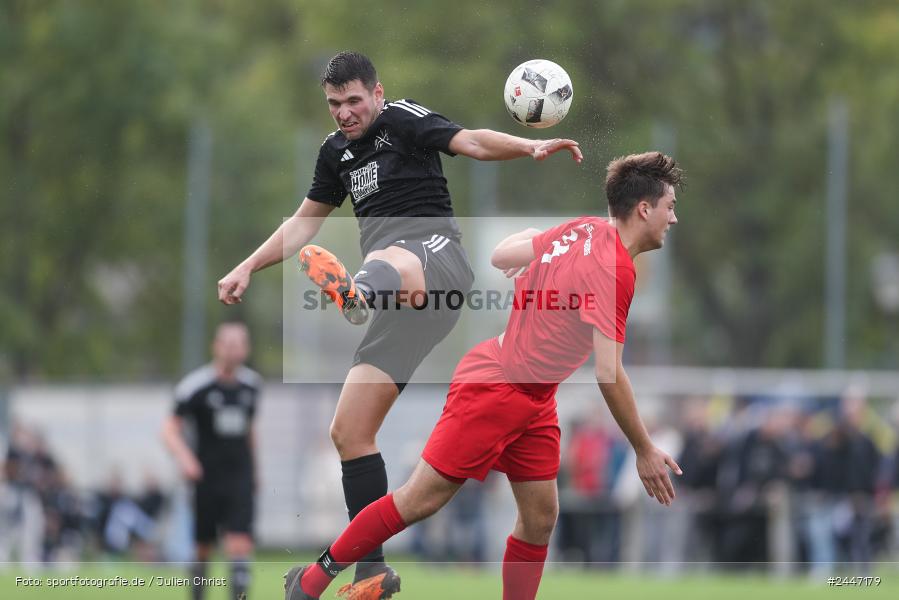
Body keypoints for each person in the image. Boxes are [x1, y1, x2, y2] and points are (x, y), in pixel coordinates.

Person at [216, 51, 582, 598]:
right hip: (400, 303)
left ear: (377, 92)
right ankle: (372, 573)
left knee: (390, 255)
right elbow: (302, 224)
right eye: (335, 104)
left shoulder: (401, 120)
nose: (344, 113)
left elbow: (473, 141)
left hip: (436, 265)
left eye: (353, 101)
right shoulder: (334, 154)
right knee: (350, 432)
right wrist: (247, 265)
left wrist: (527, 145)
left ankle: (357, 293)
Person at [283, 151, 685, 600]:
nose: (673, 218)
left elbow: (501, 255)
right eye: (669, 207)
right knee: (420, 500)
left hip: (533, 396)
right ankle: (311, 582)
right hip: (498, 388)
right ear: (644, 209)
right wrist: (644, 449)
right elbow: (608, 374)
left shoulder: (583, 228)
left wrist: (533, 243)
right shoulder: (616, 269)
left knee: (540, 517)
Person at [162, 321, 260, 600]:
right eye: (228, 344)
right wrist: (186, 460)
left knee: (240, 546)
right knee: (202, 548)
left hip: (239, 477)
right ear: (216, 347)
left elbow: (250, 430)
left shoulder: (251, 386)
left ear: (246, 348)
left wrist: (256, 471)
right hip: (206, 478)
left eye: (239, 344)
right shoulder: (196, 387)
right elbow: (169, 430)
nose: (233, 350)